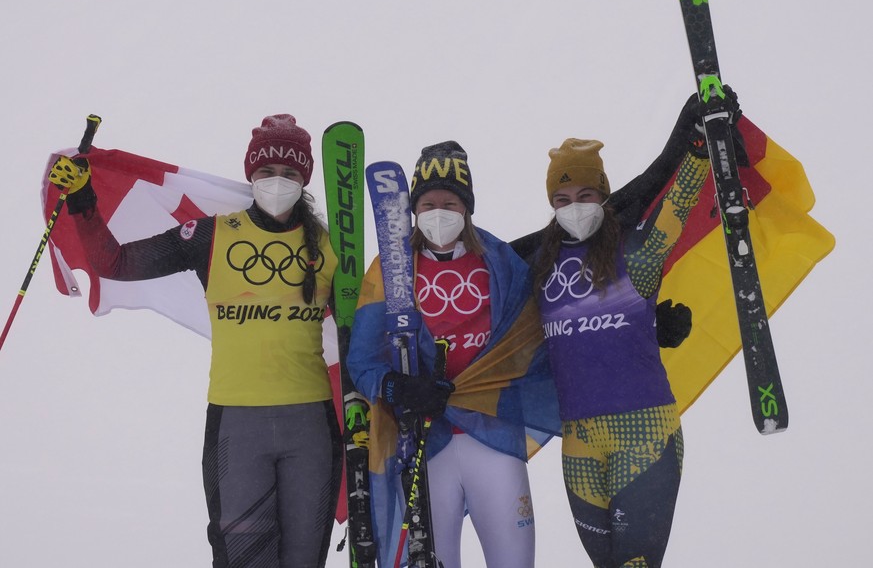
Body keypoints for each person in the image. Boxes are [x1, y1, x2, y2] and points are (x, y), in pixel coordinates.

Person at [48, 114, 342, 568]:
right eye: (266, 172)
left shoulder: (330, 245)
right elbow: (115, 263)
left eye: (289, 174)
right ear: (251, 175)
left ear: (304, 180)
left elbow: (365, 328)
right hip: (236, 425)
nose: (277, 182)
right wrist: (83, 200)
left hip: (311, 427)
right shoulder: (211, 234)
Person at [530, 93, 740, 567]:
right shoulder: (539, 272)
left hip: (645, 433)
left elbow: (679, 200)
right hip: (579, 443)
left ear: (603, 197)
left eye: (585, 196)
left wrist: (705, 138)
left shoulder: (638, 253)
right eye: (561, 200)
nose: (573, 207)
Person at [347, 141, 550, 568]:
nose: (439, 213)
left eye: (450, 203)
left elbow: (539, 329)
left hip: (491, 435)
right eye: (428, 203)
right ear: (414, 210)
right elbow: (363, 360)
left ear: (466, 208)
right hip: (427, 440)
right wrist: (398, 387)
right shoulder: (391, 270)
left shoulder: (500, 261)